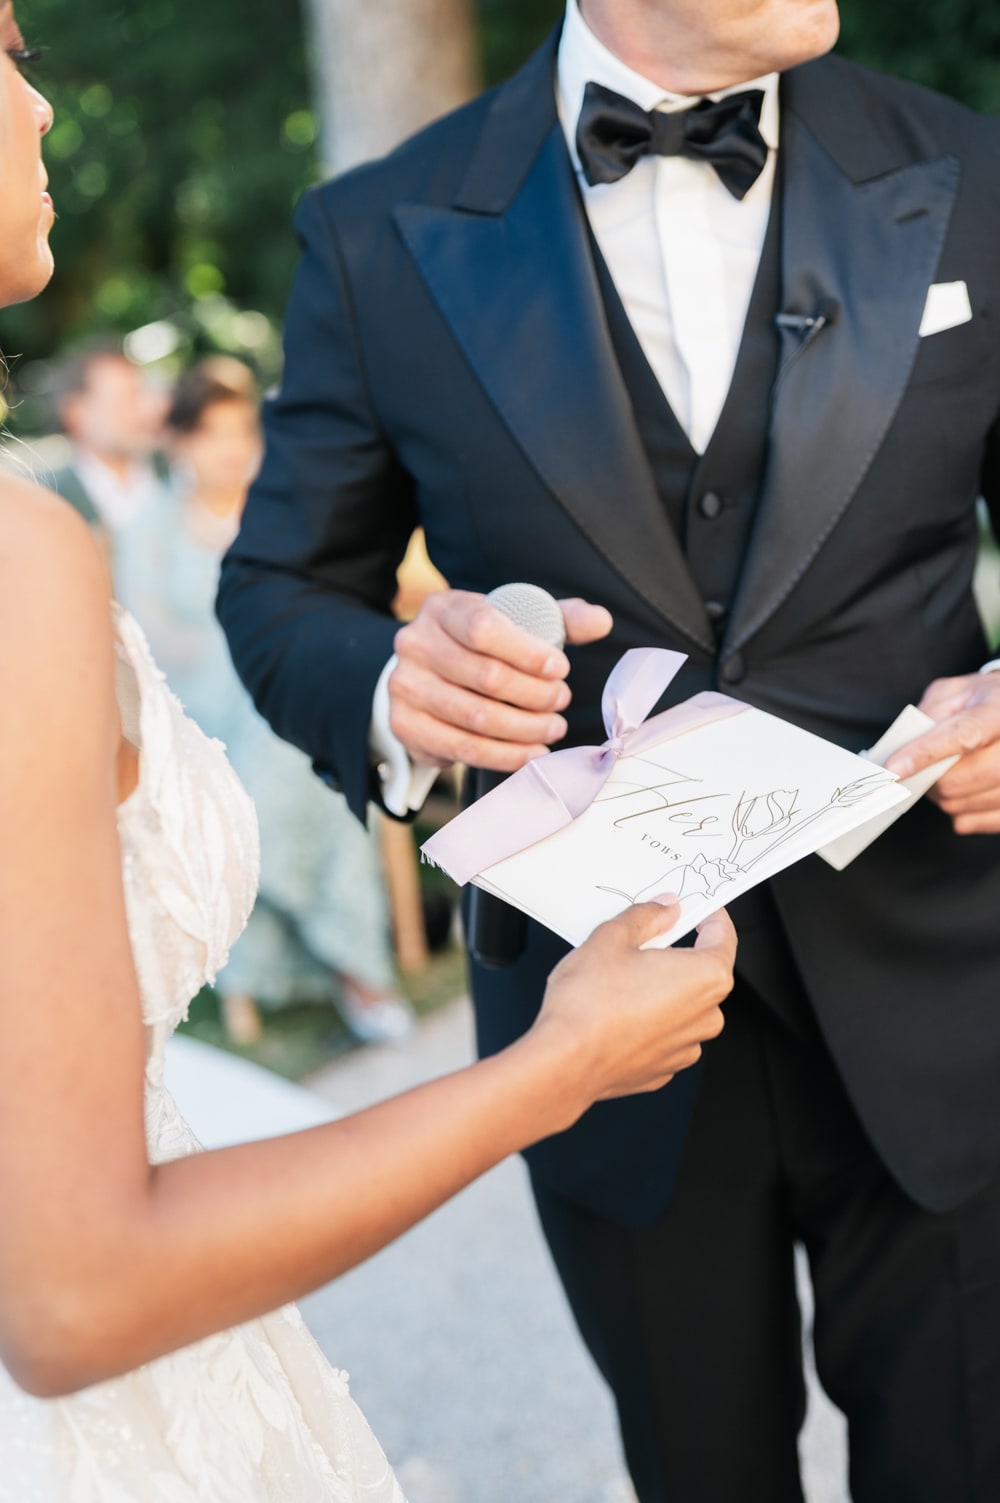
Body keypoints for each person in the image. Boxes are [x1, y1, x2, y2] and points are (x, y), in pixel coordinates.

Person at [217, 1, 1000, 1499]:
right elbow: (279, 588)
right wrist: (395, 685)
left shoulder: (976, 173)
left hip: (945, 986)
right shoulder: (378, 235)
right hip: (596, 1023)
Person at [0, 9, 737, 1497]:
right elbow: (72, 1295)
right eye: (7, 54)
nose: (43, 109)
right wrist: (559, 1065)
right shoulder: (19, 561)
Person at [117, 360, 415, 1047]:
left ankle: (297, 934)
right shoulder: (150, 529)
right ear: (180, 442)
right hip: (199, 711)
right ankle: (357, 968)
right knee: (306, 743)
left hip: (279, 706)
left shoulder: (284, 516)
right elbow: (150, 639)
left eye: (242, 430)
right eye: (211, 432)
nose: (230, 448)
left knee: (296, 734)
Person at [48, 343, 167, 558]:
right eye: (127, 399)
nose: (146, 410)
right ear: (77, 413)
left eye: (143, 394)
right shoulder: (50, 499)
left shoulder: (179, 473)